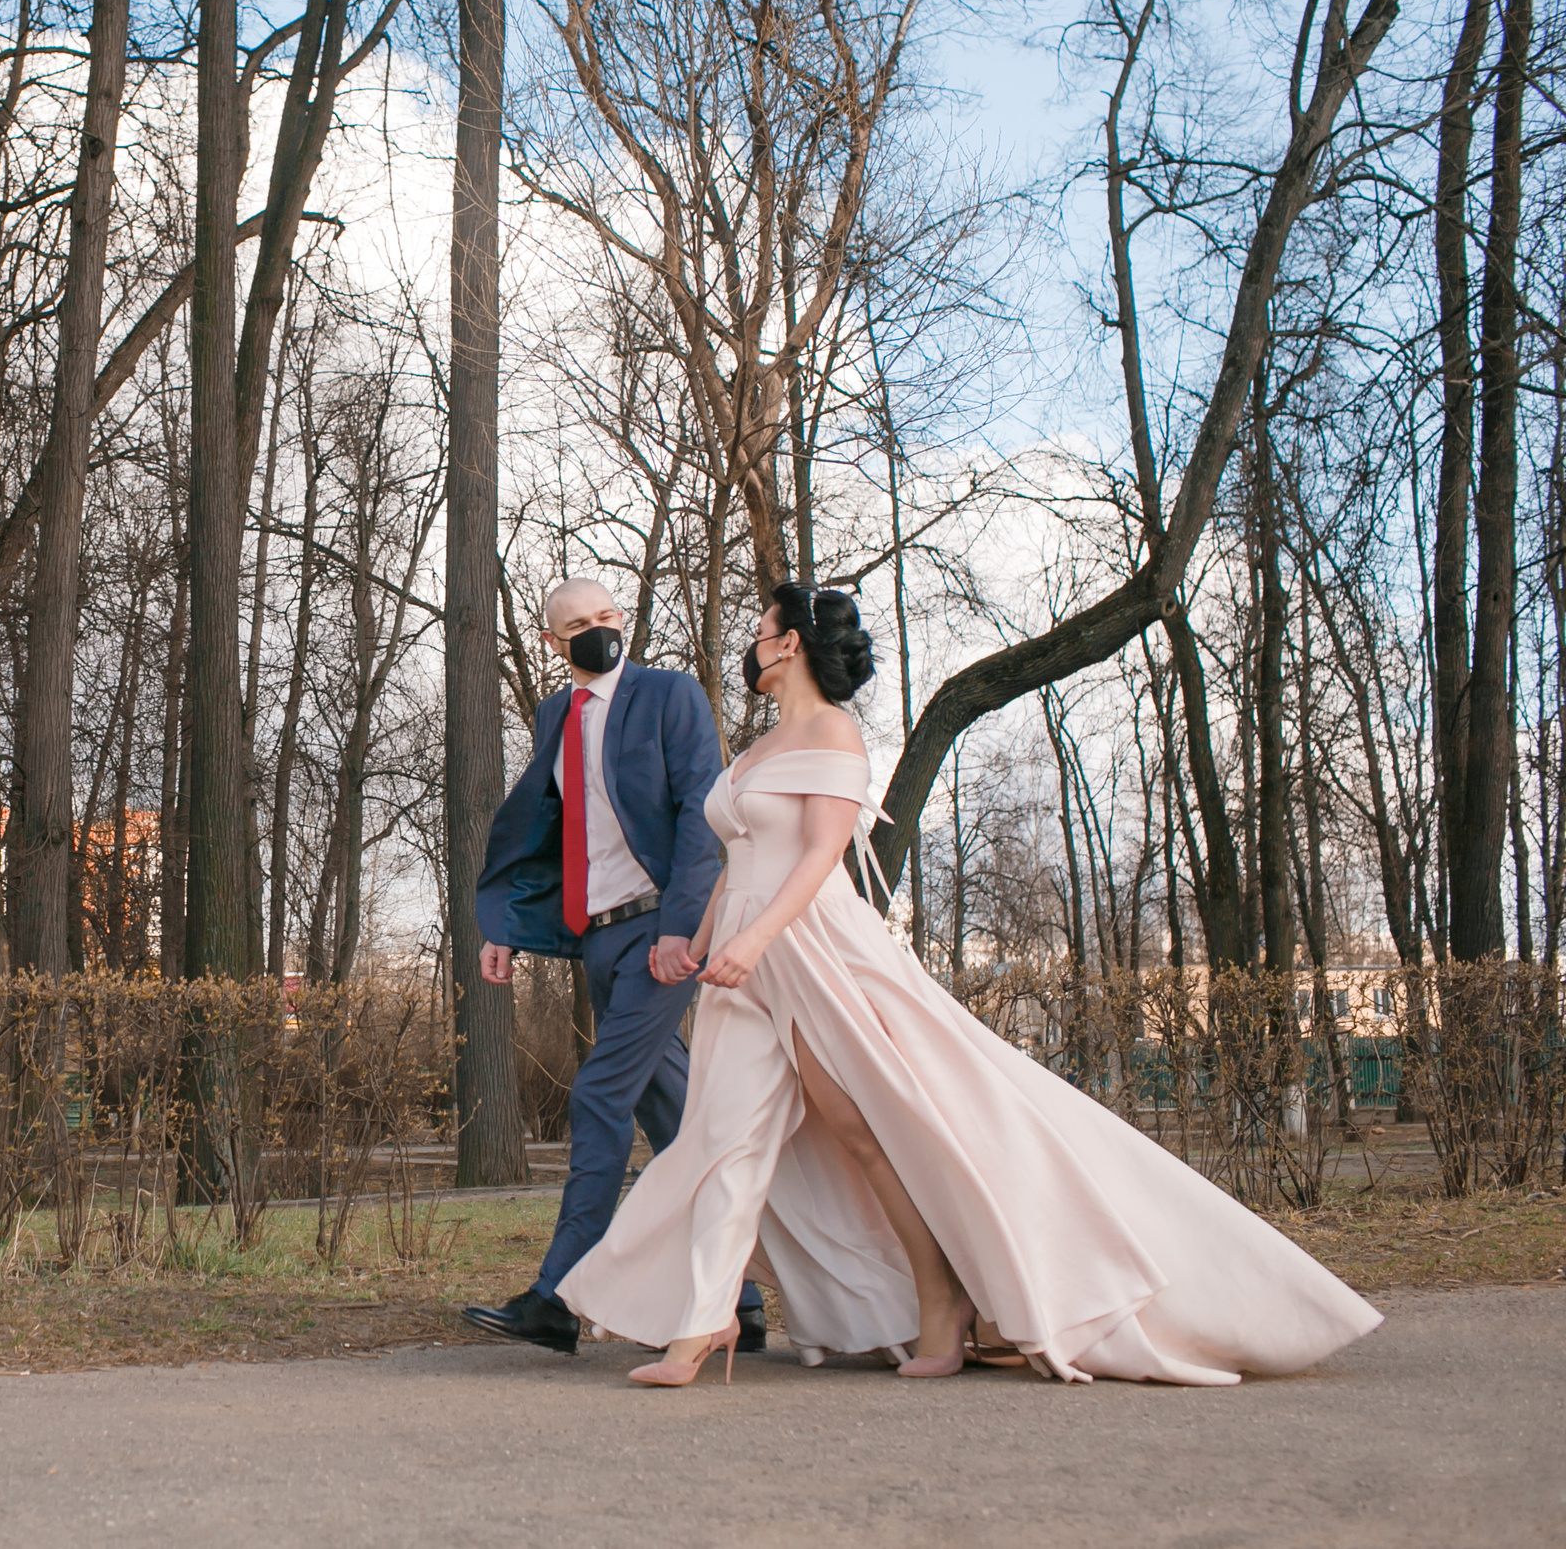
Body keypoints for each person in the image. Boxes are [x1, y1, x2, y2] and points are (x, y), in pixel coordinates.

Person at [557, 583, 1382, 1387]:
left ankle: (944, 1293)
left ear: (791, 643)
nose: (754, 644)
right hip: (741, 956)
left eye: (764, 630)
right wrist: (698, 945)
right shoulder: (753, 751)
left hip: (812, 945)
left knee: (862, 1127)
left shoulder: (836, 736)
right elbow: (740, 860)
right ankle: (705, 1317)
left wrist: (758, 937)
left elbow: (818, 856)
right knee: (721, 1134)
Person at [462, 579, 766, 1356]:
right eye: (579, 626)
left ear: (622, 622)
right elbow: (550, 830)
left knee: (599, 1093)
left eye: (607, 619)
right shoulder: (553, 715)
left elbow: (701, 816)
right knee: (676, 1120)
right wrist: (506, 925)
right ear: (551, 643)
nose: (598, 633)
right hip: (596, 940)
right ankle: (745, 1298)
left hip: (658, 935)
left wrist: (680, 931)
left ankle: (558, 1296)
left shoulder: (669, 696)